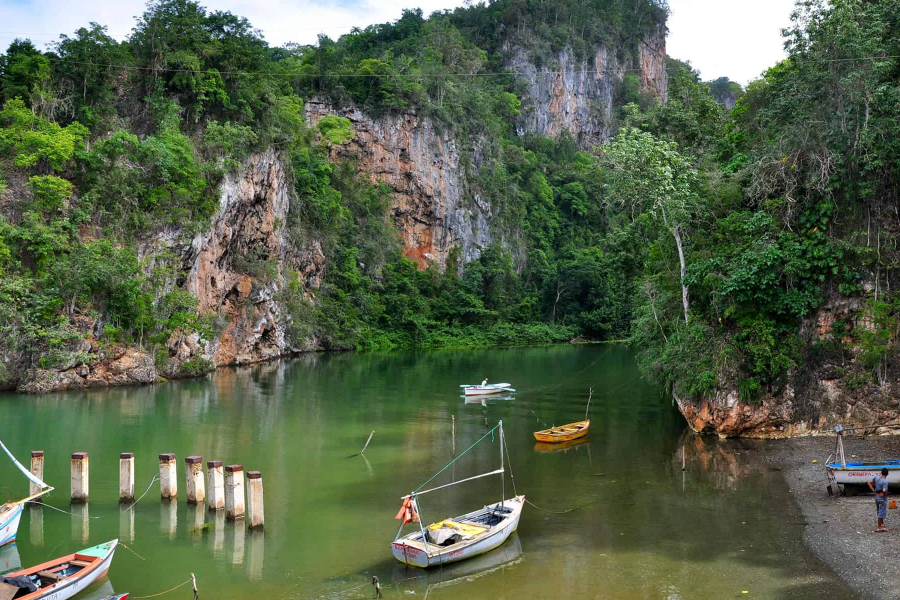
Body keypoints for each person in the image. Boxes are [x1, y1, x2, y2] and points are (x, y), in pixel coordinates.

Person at [868, 468, 890, 532]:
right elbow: (884, 490)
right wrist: (884, 492)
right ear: (887, 474)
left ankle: (882, 523)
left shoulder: (876, 478)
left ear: (881, 472)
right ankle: (879, 527)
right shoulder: (885, 481)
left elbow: (869, 482)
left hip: (876, 497)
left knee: (879, 510)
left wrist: (873, 490)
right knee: (881, 512)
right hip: (882, 498)